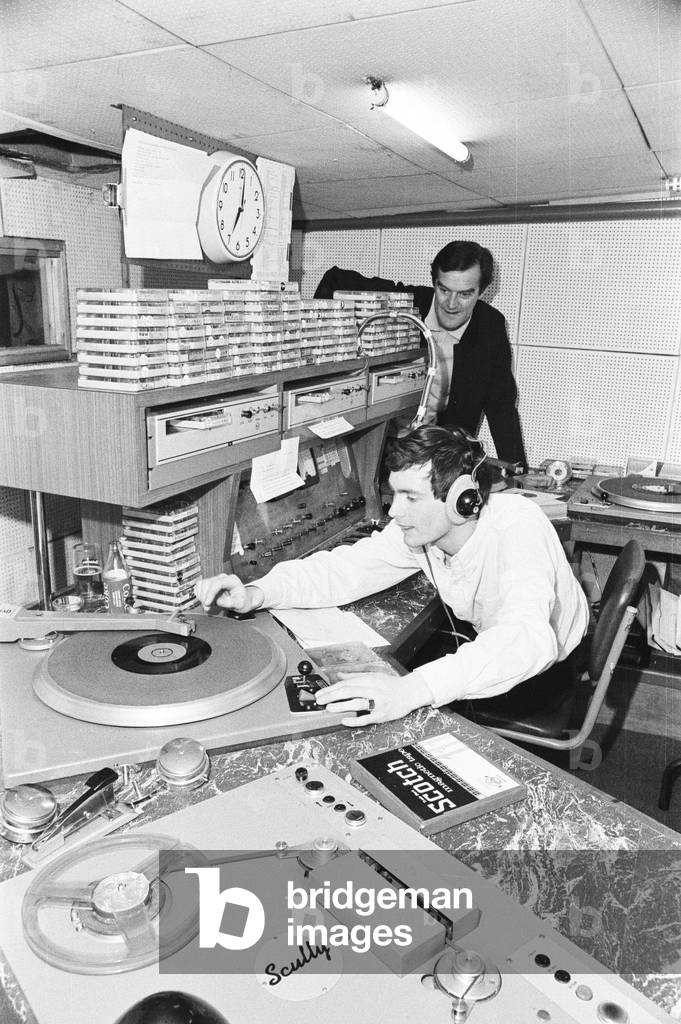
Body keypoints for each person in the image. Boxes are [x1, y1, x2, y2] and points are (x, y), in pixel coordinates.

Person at [195, 426, 588, 727]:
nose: (395, 511)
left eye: (411, 498)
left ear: (461, 500)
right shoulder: (422, 532)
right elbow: (349, 567)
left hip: (543, 673)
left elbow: (527, 639)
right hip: (489, 648)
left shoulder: (518, 527)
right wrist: (258, 592)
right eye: (394, 493)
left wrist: (409, 690)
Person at [314, 241, 527, 467]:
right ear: (433, 282)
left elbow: (501, 408)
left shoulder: (489, 326)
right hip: (384, 450)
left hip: (443, 458)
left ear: (482, 291)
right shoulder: (405, 304)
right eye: (444, 290)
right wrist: (324, 344)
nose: (451, 304)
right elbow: (334, 278)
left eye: (465, 294)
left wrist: (517, 470)